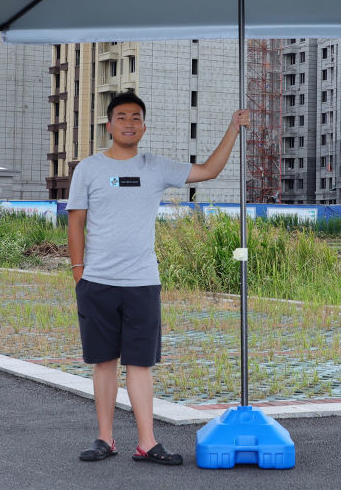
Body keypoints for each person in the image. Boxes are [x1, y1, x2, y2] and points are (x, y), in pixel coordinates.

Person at [66, 90, 249, 466]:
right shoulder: (88, 169)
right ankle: (105, 438)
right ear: (108, 124)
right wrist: (78, 273)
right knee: (103, 362)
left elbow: (209, 171)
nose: (129, 123)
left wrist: (233, 128)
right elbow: (76, 221)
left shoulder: (156, 167)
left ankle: (147, 443)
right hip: (97, 281)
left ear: (144, 127)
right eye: (121, 117)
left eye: (135, 118)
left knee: (140, 363)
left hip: (142, 282)